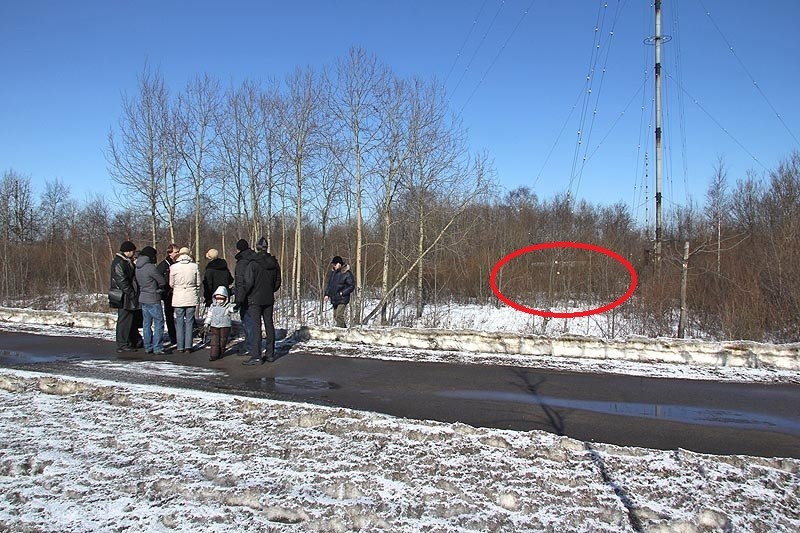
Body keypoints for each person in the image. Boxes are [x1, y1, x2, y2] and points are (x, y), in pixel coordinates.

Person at [242, 237, 282, 365]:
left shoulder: (253, 263)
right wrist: (270, 290)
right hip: (268, 297)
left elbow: (248, 283)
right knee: (269, 324)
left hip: (255, 298)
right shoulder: (273, 262)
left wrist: (246, 294)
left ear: (257, 247)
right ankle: (270, 354)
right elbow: (277, 281)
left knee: (256, 327)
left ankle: (256, 356)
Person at [109, 240, 143, 353]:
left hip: (126, 295)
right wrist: (132, 294)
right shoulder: (119, 263)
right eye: (132, 251)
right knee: (124, 320)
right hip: (123, 296)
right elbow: (122, 281)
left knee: (130, 319)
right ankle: (122, 344)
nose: (133, 253)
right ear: (127, 251)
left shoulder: (125, 262)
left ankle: (131, 340)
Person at [135, 246, 168, 354]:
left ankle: (148, 346)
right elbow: (161, 281)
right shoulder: (150, 267)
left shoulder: (138, 267)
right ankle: (157, 347)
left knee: (146, 323)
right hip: (153, 297)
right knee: (159, 323)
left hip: (143, 297)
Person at [169, 247, 201, 353]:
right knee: (189, 322)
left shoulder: (173, 267)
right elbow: (198, 283)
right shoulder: (194, 266)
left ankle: (180, 346)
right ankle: (188, 346)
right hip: (191, 296)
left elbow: (171, 283)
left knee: (179, 322)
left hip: (178, 297)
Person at [234, 238, 258, 356]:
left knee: (247, 322)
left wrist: (239, 299)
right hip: (256, 294)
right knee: (253, 322)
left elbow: (240, 281)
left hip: (245, 295)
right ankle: (253, 345)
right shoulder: (255, 258)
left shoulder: (242, 262)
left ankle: (250, 347)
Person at [204, 286, 236, 361]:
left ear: (225, 298)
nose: (219, 300)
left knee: (223, 340)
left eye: (221, 299)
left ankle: (220, 352)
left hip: (225, 326)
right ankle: (213, 355)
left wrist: (236, 306)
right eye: (217, 298)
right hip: (214, 325)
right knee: (214, 341)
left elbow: (233, 309)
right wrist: (207, 322)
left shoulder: (228, 306)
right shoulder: (213, 306)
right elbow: (209, 315)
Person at [156, 244, 180, 347]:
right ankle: (173, 336)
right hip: (168, 293)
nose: (177, 254)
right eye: (176, 252)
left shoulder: (177, 263)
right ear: (170, 253)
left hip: (177, 292)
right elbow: (159, 278)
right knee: (169, 315)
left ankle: (178, 335)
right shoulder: (163, 265)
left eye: (178, 252)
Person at [324, 255, 355, 328]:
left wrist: (342, 293)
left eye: (335, 264)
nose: (334, 266)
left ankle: (341, 332)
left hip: (342, 298)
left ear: (339, 264)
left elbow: (351, 286)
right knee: (335, 316)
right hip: (334, 298)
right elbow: (330, 285)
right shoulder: (333, 273)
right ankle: (345, 330)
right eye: (333, 265)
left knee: (339, 315)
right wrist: (326, 294)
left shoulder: (347, 273)